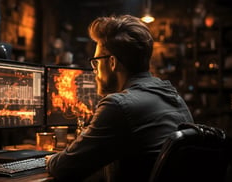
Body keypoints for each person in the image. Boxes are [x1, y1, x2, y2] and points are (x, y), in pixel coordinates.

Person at [45, 14, 194, 182]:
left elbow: (64, 168)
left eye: (96, 62)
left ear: (112, 62)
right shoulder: (174, 97)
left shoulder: (118, 106)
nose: (95, 70)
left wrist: (50, 160)